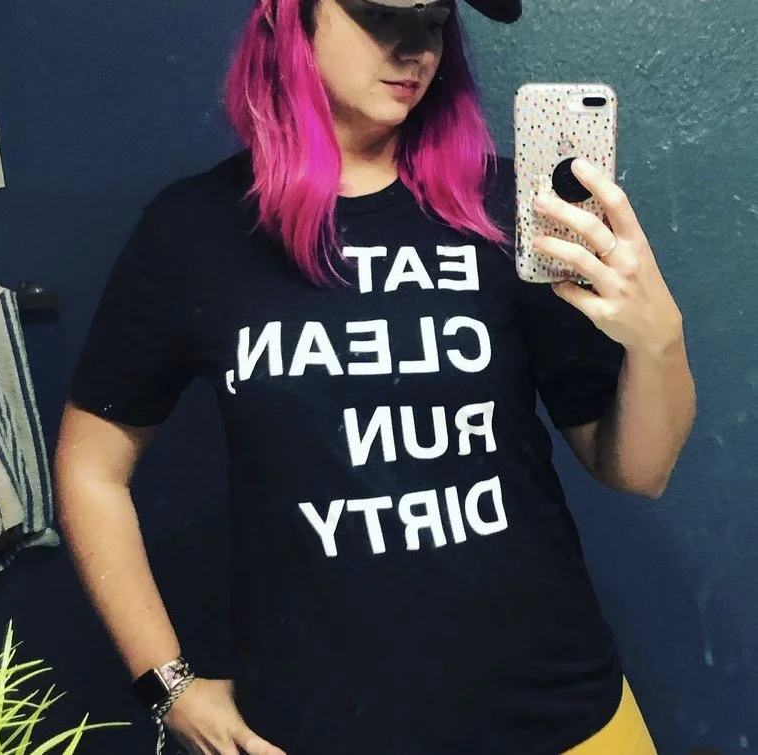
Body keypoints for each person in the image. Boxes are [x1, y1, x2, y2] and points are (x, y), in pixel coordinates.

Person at [54, 0, 696, 753]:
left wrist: (659, 339)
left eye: (433, 21)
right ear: (289, 18)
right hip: (322, 725)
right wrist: (168, 686)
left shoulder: (508, 207)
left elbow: (637, 471)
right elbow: (90, 469)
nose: (414, 48)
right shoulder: (195, 229)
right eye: (380, 15)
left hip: (559, 714)